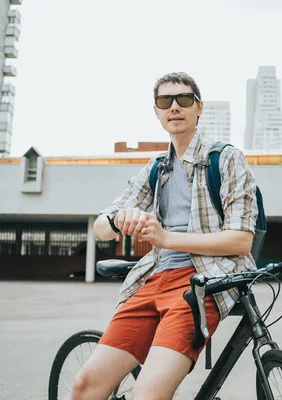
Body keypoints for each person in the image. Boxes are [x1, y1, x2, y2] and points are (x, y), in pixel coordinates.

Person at [72, 72, 259, 400]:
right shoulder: (157, 168)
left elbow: (240, 240)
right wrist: (119, 220)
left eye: (184, 100)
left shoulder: (226, 158)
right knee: (85, 386)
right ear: (156, 111)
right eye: (165, 101)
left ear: (199, 107)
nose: (174, 107)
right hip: (153, 280)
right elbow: (100, 227)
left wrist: (166, 238)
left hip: (203, 282)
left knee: (148, 393)